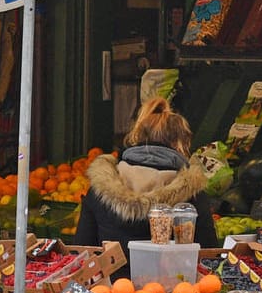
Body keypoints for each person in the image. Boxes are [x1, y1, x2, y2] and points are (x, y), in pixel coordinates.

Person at [74, 97, 220, 253]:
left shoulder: (100, 188)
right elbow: (208, 255)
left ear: (137, 137)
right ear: (180, 145)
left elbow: (81, 250)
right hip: (174, 277)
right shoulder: (192, 194)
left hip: (111, 278)